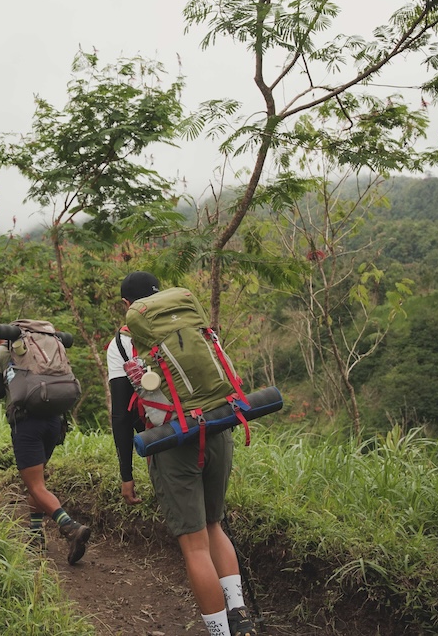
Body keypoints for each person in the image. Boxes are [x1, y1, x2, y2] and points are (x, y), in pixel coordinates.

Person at [107, 271, 258, 636]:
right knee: (213, 525)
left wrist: (126, 473)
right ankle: (239, 615)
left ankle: (220, 632)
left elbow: (121, 416)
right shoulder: (194, 323)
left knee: (194, 545)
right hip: (218, 428)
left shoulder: (122, 343)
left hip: (171, 441)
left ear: (129, 306)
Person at [0, 336, 91, 564]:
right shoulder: (43, 349)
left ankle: (69, 526)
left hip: (26, 422)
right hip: (54, 421)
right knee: (38, 481)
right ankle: (36, 535)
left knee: (35, 485)